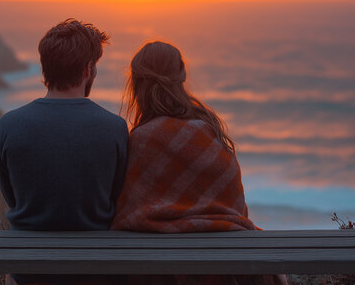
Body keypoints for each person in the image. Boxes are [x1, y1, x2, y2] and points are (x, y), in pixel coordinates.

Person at [111, 41, 288, 285]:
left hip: (159, 267)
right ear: (182, 73)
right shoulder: (208, 130)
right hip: (221, 256)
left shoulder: (141, 139)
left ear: (136, 83)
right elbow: (233, 204)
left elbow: (129, 211)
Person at [0, 19, 129, 285]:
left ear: (46, 67)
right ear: (88, 69)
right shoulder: (114, 128)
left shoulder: (9, 124)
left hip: (29, 271)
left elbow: (12, 197)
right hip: (96, 272)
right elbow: (115, 197)